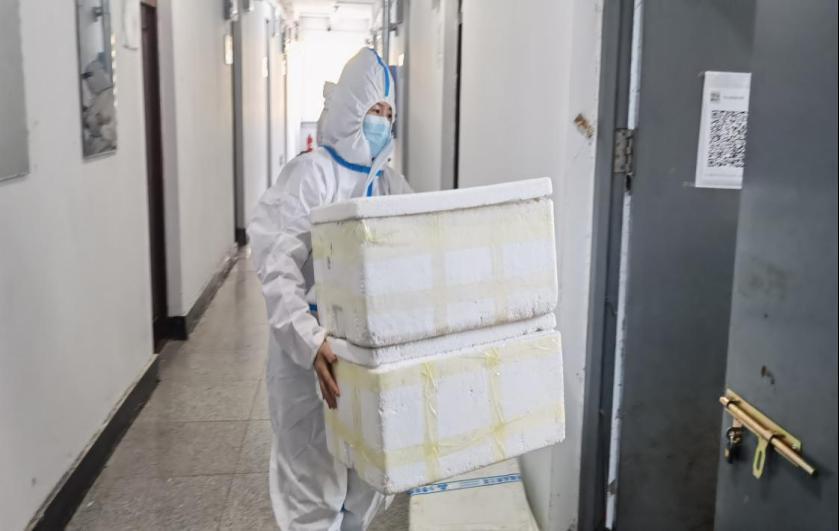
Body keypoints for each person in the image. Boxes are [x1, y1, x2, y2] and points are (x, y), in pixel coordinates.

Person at [248, 48, 412, 530]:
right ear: (348, 109)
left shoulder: (390, 184)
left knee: (367, 474)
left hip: (367, 352)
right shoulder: (312, 174)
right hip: (313, 354)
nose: (381, 121)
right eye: (372, 109)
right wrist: (307, 339)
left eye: (388, 113)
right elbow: (277, 265)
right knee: (313, 480)